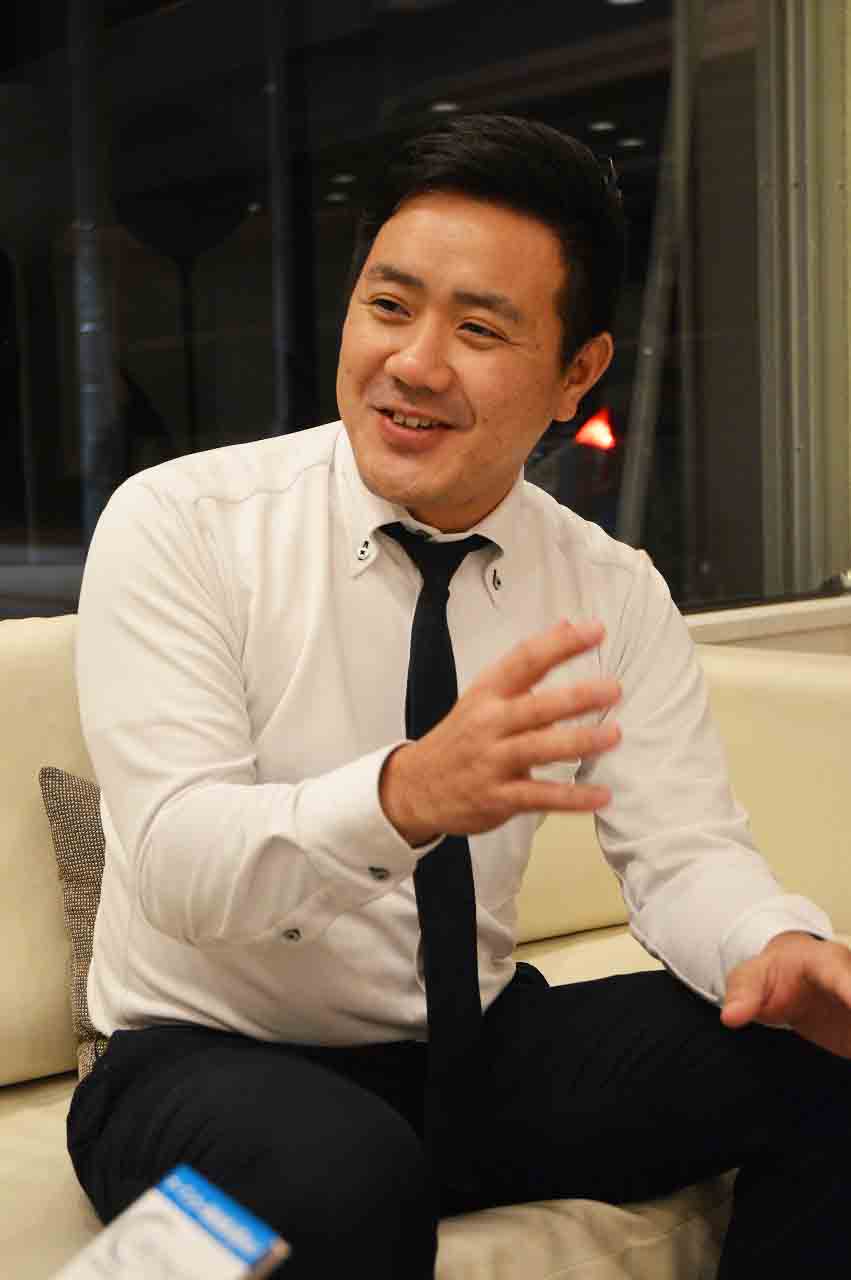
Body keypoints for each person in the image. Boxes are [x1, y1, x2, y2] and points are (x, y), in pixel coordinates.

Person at [68, 114, 851, 1278]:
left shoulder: (604, 584)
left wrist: (773, 941)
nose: (415, 363)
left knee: (821, 1057)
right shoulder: (183, 525)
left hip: (471, 1048)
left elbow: (681, 851)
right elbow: (181, 864)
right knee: (347, 1176)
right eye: (388, 306)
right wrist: (403, 796)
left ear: (576, 372)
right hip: (202, 1053)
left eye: (478, 328)